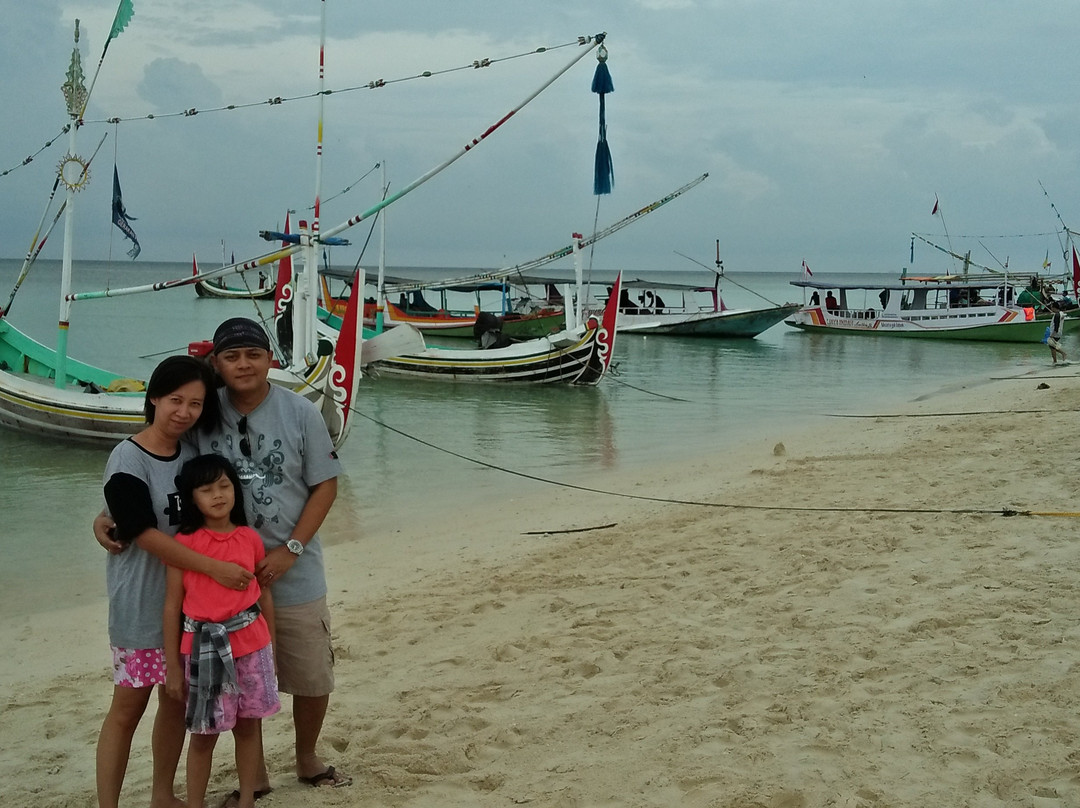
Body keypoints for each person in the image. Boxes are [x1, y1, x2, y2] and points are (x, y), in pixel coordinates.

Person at [96, 319, 350, 799]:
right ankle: (251, 780)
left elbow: (327, 484)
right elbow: (157, 467)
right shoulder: (205, 417)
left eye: (253, 354)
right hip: (212, 591)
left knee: (311, 674)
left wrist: (291, 549)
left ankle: (306, 756)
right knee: (233, 690)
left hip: (289, 568)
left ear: (270, 359)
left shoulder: (300, 412)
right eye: (231, 357)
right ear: (217, 364)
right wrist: (107, 514)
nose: (243, 364)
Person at [96, 356, 254, 808]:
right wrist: (213, 568)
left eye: (195, 404)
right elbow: (142, 532)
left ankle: (162, 796)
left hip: (188, 610)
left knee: (174, 701)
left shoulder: (190, 458)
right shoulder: (127, 456)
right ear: (153, 399)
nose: (184, 412)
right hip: (140, 603)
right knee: (127, 709)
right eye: (174, 400)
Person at [164, 454, 279, 808]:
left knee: (248, 727)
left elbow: (264, 596)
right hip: (201, 648)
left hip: (252, 643)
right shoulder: (183, 545)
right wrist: (172, 668)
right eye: (206, 489)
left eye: (225, 485)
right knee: (203, 735)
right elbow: (172, 605)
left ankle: (247, 799)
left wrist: (271, 650)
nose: (218, 495)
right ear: (191, 497)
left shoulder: (249, 538)